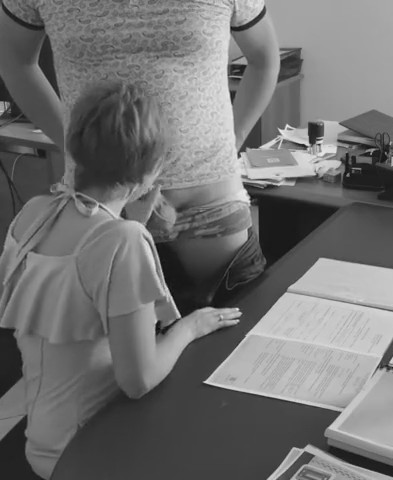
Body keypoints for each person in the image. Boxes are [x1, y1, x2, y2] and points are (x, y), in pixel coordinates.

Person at [0, 82, 243, 479]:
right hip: (89, 454)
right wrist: (190, 327)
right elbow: (139, 380)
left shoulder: (35, 212)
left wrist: (131, 223)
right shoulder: (123, 241)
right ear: (150, 171)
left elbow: (80, 277)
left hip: (39, 441)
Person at [0, 0, 281, 311]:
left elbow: (264, 59)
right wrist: (74, 146)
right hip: (100, 214)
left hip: (210, 211)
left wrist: (232, 141)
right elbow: (13, 60)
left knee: (246, 338)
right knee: (106, 344)